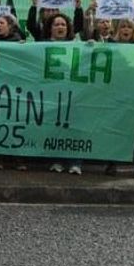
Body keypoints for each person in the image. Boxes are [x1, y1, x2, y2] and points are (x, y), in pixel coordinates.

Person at [104, 18, 134, 180]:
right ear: (118, 30)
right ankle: (112, 162)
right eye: (123, 27)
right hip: (115, 95)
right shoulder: (109, 46)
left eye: (129, 27)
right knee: (114, 128)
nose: (126, 30)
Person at [42, 13, 84, 175]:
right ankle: (56, 160)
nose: (60, 27)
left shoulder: (78, 46)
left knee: (74, 126)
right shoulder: (42, 45)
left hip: (74, 93)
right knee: (55, 125)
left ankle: (76, 162)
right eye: (56, 25)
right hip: (52, 93)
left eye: (63, 25)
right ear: (50, 29)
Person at [0, 13, 27, 171]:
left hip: (15, 87)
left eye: (2, 23)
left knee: (16, 122)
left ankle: (19, 158)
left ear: (10, 26)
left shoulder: (19, 42)